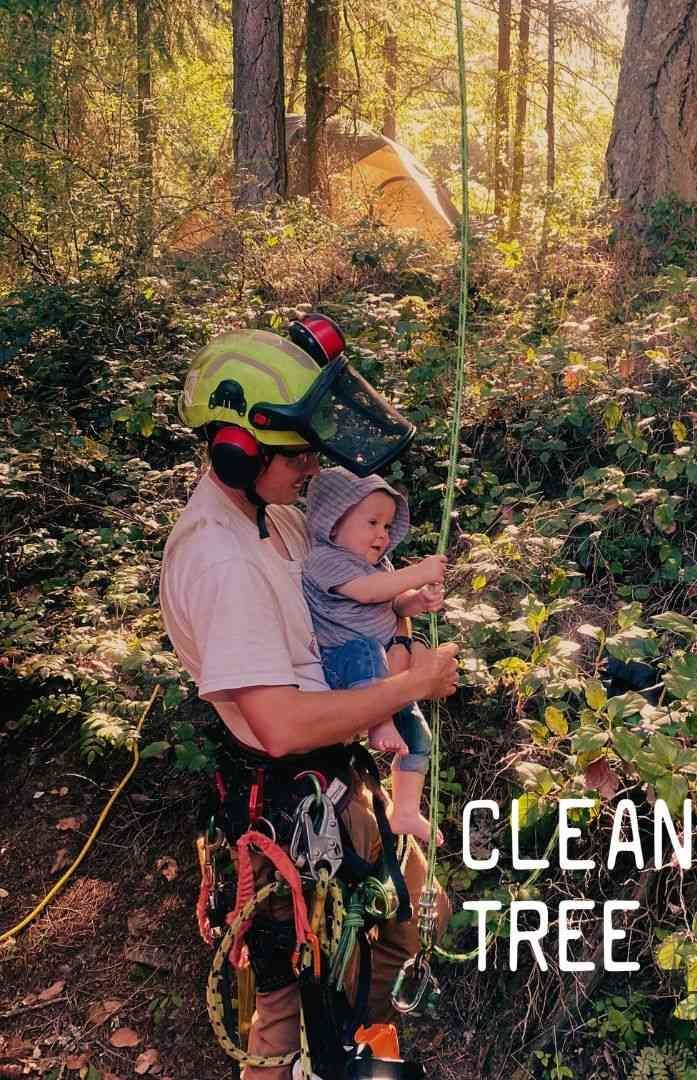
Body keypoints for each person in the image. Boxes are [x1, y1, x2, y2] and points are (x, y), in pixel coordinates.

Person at [159, 323, 457, 1080]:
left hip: (336, 781)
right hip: (283, 809)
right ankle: (315, 1062)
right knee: (286, 1002)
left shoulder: (276, 518)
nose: (313, 466)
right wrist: (409, 687)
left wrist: (393, 606)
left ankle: (364, 1054)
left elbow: (341, 589)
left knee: (407, 927)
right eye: (297, 451)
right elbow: (280, 725)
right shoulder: (221, 562)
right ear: (236, 448)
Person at [303, 467, 447, 846]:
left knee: (419, 737)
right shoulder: (324, 559)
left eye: (387, 526)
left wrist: (417, 600)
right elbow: (369, 592)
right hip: (347, 666)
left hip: (386, 670)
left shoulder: (378, 565)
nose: (382, 535)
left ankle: (405, 810)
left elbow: (392, 599)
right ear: (333, 525)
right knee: (365, 649)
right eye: (372, 522)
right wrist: (418, 572)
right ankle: (378, 722)